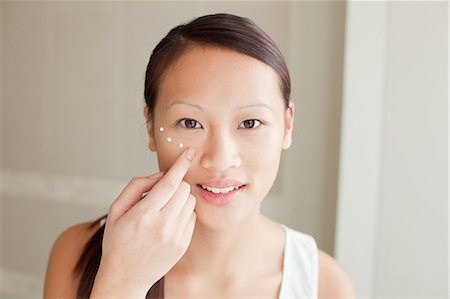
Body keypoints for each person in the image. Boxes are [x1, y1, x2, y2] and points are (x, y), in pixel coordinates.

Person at [44, 13, 356, 298]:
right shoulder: (78, 254)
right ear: (151, 127)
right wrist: (121, 282)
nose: (220, 159)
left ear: (287, 126)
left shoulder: (325, 285)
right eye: (190, 123)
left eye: (250, 123)